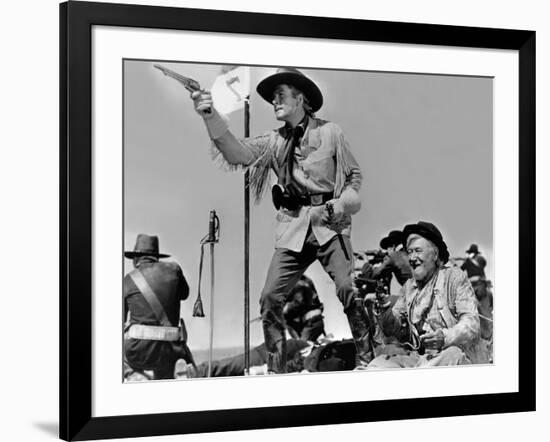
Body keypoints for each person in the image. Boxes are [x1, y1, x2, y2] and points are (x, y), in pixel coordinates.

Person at [191, 67, 371, 372]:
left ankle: (368, 359)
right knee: (270, 297)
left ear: (300, 98)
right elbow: (236, 153)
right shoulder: (274, 141)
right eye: (273, 97)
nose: (275, 101)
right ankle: (276, 370)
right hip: (293, 226)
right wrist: (209, 115)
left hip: (329, 224)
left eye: (281, 95)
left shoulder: (331, 132)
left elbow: (353, 176)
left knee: (347, 287)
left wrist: (344, 203)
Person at [368, 221, 487, 368]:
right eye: (409, 252)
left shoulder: (455, 278)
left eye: (418, 250)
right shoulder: (409, 288)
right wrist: (386, 312)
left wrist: (444, 337)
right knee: (377, 364)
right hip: (422, 359)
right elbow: (397, 331)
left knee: (451, 355)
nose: (411, 258)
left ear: (435, 254)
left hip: (458, 356)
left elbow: (472, 325)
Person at [123, 234, 195, 381]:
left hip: (138, 352)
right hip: (170, 350)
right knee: (166, 370)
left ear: (136, 259)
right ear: (156, 256)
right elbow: (184, 294)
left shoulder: (128, 280)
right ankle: (169, 376)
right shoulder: (174, 270)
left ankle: (135, 375)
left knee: (117, 355)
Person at [461, 244, 493, 340]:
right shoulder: (473, 261)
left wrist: (465, 261)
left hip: (477, 287)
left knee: (481, 309)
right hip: (479, 286)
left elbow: (459, 271)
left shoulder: (477, 260)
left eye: (470, 253)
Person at [283, 274, 325, 342]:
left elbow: (298, 303)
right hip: (310, 322)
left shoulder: (297, 283)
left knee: (301, 348)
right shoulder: (303, 280)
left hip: (310, 322)